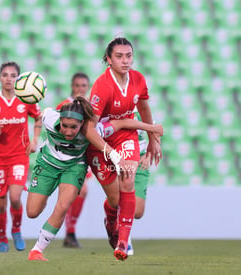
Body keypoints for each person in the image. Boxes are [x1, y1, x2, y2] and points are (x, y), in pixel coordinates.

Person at [27, 97, 163, 261]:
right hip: (48, 164)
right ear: (59, 120)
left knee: (62, 206)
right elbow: (40, 113)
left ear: (82, 124)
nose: (69, 131)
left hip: (74, 166)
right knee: (33, 212)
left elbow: (122, 123)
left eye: (74, 127)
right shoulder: (49, 118)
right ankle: (44, 195)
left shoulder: (93, 130)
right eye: (65, 126)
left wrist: (151, 128)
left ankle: (36, 251)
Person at [86, 37, 163, 261]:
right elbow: (91, 130)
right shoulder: (102, 86)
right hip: (103, 142)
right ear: (108, 59)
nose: (125, 60)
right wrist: (109, 152)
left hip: (127, 136)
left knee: (128, 178)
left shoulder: (138, 79)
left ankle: (122, 241)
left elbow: (145, 108)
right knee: (115, 200)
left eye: (129, 55)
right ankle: (111, 220)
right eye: (119, 56)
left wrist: (152, 139)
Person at [0, 61, 42, 253]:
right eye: (5, 75)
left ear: (18, 79)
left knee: (15, 197)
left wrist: (35, 139)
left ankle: (16, 230)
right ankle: (2, 239)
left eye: (13, 75)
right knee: (0, 203)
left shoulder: (26, 99)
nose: (9, 78)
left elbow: (38, 117)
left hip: (18, 157)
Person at [56, 72, 91, 248]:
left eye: (83, 86)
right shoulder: (64, 106)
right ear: (72, 86)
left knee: (81, 191)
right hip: (64, 157)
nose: (80, 89)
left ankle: (70, 232)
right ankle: (66, 232)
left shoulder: (90, 109)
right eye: (77, 85)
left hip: (82, 157)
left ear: (88, 87)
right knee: (71, 194)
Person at [127, 109, 155, 256]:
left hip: (140, 160)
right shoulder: (114, 105)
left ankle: (113, 220)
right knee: (121, 199)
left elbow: (154, 130)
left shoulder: (141, 109)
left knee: (138, 212)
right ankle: (124, 240)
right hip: (121, 159)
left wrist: (150, 153)